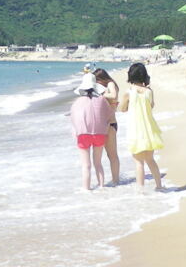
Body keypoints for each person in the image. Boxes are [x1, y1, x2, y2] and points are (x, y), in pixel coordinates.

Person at [118, 62, 164, 191]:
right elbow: (151, 106)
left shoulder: (128, 92)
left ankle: (141, 190)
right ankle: (159, 186)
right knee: (150, 160)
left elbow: (121, 108)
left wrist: (128, 105)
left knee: (138, 162)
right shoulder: (149, 91)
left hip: (135, 129)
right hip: (149, 129)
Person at [70, 74, 113, 191]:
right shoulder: (102, 100)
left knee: (86, 165)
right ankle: (102, 186)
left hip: (83, 134)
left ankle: (86, 189)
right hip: (99, 133)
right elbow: (109, 115)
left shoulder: (77, 102)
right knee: (98, 163)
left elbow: (74, 119)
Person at [92, 68, 120, 185]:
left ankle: (115, 180)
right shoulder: (104, 86)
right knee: (103, 156)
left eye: (96, 81)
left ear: (101, 79)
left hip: (110, 123)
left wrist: (101, 93)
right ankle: (109, 181)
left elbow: (113, 95)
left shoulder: (110, 84)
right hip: (103, 124)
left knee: (112, 154)